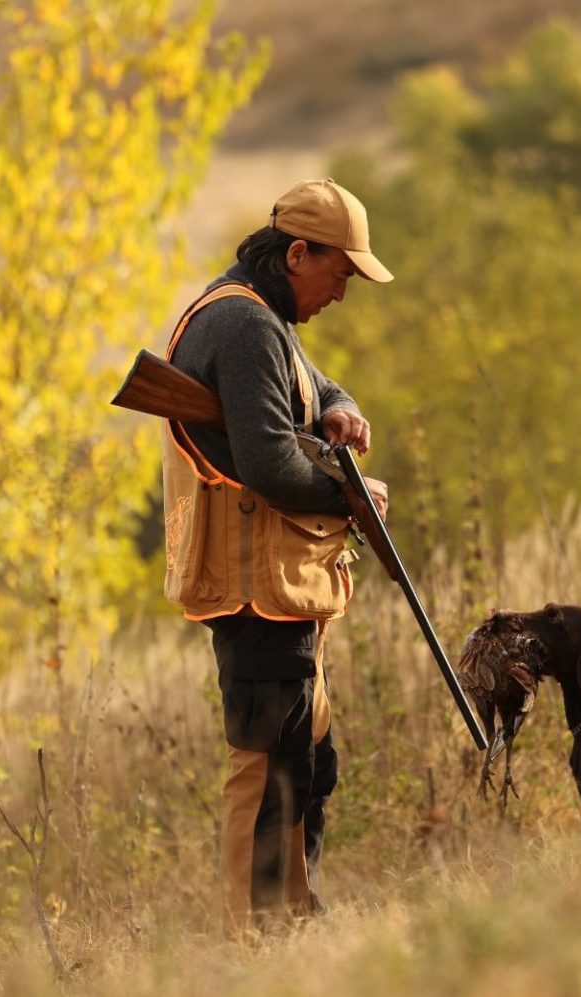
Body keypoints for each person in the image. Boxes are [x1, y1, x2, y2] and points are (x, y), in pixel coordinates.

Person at [160, 178, 392, 933]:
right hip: (254, 583)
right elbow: (268, 467)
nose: (343, 291)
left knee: (307, 761)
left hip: (279, 582)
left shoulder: (260, 319)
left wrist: (341, 407)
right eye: (340, 273)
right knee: (264, 769)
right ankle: (253, 942)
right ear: (298, 253)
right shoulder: (244, 326)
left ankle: (293, 922)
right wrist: (353, 500)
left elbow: (317, 384)